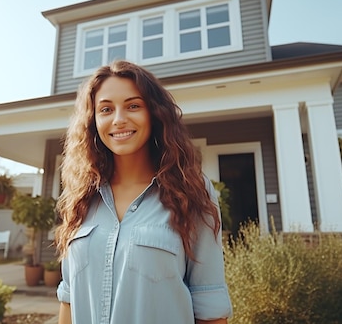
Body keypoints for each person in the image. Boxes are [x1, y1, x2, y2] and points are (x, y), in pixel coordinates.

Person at [54, 60, 232, 324]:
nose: (119, 119)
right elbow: (68, 297)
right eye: (105, 109)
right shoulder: (81, 196)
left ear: (155, 113)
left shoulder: (192, 191)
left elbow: (210, 302)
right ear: (93, 121)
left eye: (133, 106)